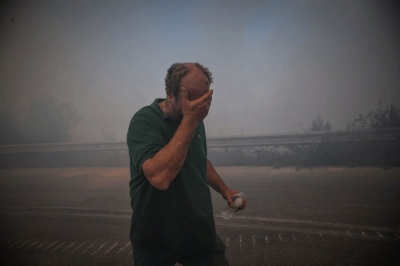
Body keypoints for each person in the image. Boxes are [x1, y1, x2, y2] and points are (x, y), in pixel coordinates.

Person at [127, 62, 247, 265]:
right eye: (191, 97)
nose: (199, 105)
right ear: (169, 93)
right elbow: (160, 177)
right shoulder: (145, 121)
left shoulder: (195, 118)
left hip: (198, 232)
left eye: (204, 98)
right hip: (155, 237)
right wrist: (191, 119)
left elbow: (199, 160)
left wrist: (225, 190)